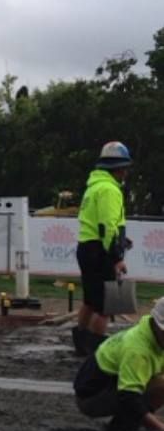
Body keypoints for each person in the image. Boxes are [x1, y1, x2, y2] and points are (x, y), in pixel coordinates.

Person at [72, 141, 132, 358]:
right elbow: (107, 226)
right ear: (117, 169)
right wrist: (116, 257)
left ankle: (81, 343)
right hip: (100, 252)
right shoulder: (109, 190)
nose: (126, 173)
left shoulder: (94, 187)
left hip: (88, 247)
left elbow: (102, 223)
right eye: (125, 168)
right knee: (105, 307)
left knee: (90, 300)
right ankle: (95, 352)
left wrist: (122, 239)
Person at [74, 297, 164, 431]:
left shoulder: (153, 332)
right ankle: (120, 430)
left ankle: (122, 425)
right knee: (160, 386)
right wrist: (160, 429)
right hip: (91, 397)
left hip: (110, 386)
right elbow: (129, 397)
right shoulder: (137, 351)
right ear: (158, 326)